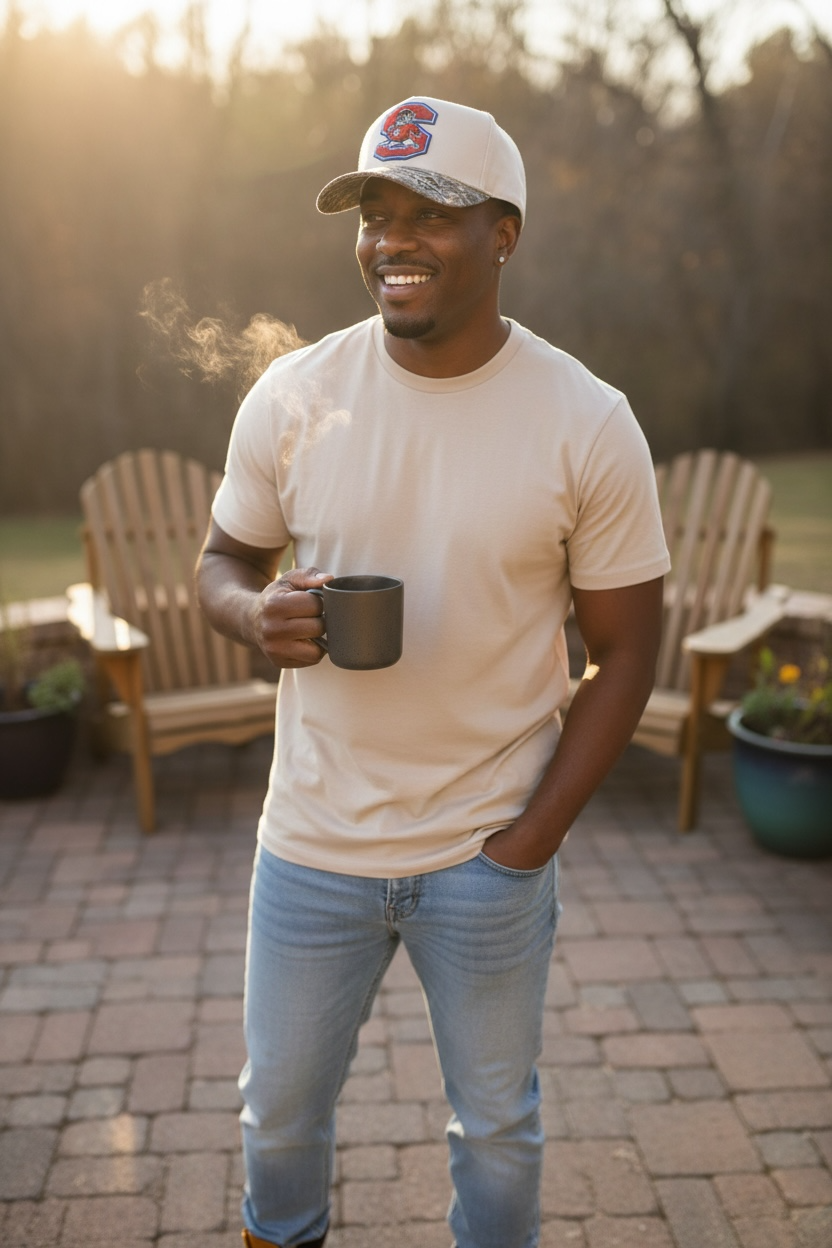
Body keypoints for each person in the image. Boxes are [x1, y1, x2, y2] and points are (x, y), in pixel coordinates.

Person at [196, 95, 671, 1248]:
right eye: (373, 214)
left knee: (497, 1131)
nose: (389, 240)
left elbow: (628, 651)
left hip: (486, 853)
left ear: (502, 235)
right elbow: (221, 562)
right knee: (277, 1120)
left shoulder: (584, 420)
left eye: (429, 214)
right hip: (311, 848)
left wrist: (527, 844)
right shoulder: (295, 393)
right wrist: (252, 611)